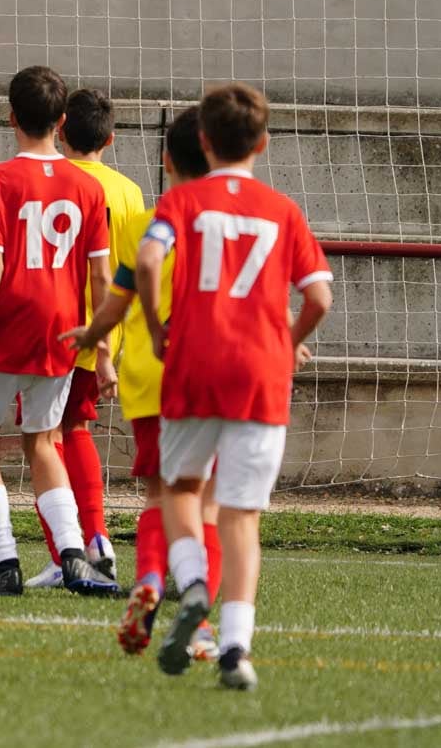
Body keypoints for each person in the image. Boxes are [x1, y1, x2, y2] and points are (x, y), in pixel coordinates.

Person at [133, 83, 332, 690]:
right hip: (262, 372)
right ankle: (237, 650)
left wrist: (157, 327)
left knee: (181, 489)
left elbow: (146, 261)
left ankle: (191, 581)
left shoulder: (185, 201)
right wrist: (289, 338)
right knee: (241, 516)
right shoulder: (283, 209)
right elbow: (319, 295)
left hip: (196, 362)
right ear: (263, 143)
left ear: (202, 140)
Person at [60, 107, 222, 660]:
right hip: (213, 371)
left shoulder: (139, 221)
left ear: (166, 159)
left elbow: (115, 289)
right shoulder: (231, 224)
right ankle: (199, 618)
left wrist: (94, 338)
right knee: (208, 501)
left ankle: (148, 576)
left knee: (158, 492)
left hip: (147, 374)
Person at [0, 65, 118, 598]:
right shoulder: (87, 186)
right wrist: (104, 347)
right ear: (63, 121)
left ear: (11, 118)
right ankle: (73, 554)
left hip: (11, 324)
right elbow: (100, 276)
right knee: (45, 442)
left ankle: (4, 560)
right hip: (65, 328)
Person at [25, 88, 145, 588]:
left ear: (59, 128)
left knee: (49, 439)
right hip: (106, 332)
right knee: (70, 433)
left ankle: (82, 545)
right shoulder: (130, 191)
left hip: (58, 329)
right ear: (111, 139)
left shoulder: (55, 181)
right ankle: (87, 543)